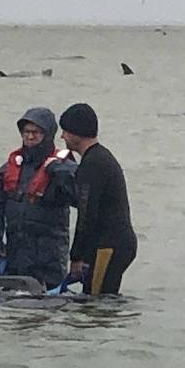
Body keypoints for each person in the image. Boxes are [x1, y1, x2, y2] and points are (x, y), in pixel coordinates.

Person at [0, 107, 77, 288]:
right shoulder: (9, 168)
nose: (30, 137)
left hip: (49, 255)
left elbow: (80, 196)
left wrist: (60, 172)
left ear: (48, 135)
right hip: (15, 251)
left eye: (36, 132)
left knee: (47, 307)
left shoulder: (63, 166)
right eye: (26, 132)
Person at [60, 103, 138, 295]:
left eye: (65, 131)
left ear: (77, 134)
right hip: (116, 244)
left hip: (108, 246)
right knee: (98, 300)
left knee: (96, 302)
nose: (62, 136)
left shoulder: (92, 164)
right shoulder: (99, 158)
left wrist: (76, 257)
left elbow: (86, 214)